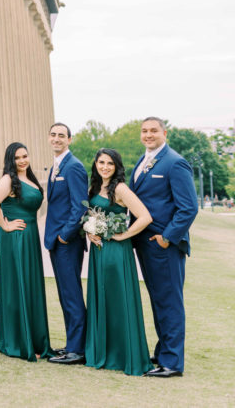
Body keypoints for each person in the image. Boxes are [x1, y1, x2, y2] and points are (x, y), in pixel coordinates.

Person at [129, 116, 198, 378]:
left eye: (153, 131)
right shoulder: (144, 159)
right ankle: (162, 353)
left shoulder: (175, 162)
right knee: (159, 301)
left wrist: (167, 237)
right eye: (144, 131)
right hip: (145, 245)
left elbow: (188, 207)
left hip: (164, 245)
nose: (148, 135)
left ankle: (172, 363)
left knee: (169, 302)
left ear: (164, 133)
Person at [83, 148, 153, 375]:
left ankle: (123, 354)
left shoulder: (120, 188)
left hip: (116, 252)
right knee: (102, 298)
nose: (105, 167)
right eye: (101, 162)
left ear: (117, 167)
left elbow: (144, 216)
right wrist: (90, 232)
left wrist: (123, 235)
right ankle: (103, 350)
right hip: (98, 251)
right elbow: (93, 215)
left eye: (110, 164)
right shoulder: (94, 187)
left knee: (117, 298)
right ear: (95, 164)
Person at [0, 142, 53, 361]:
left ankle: (33, 339)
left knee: (30, 285)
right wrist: (4, 225)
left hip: (30, 236)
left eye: (25, 156)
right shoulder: (8, 179)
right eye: (17, 158)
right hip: (16, 238)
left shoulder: (30, 179)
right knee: (18, 285)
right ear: (10, 160)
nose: (22, 160)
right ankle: (18, 341)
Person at [44, 122, 89, 365]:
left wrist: (64, 236)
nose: (57, 139)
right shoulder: (56, 165)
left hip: (67, 242)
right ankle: (73, 343)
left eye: (61, 136)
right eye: (53, 135)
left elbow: (80, 206)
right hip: (56, 242)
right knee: (64, 294)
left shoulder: (73, 167)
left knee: (71, 294)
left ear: (69, 139)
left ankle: (78, 350)